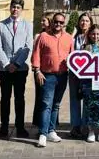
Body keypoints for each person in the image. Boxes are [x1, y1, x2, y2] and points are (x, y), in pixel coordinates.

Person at [32, 12, 73, 148]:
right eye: (56, 21)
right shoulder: (43, 36)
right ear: (52, 21)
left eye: (61, 22)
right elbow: (36, 54)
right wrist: (37, 70)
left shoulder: (68, 38)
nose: (58, 24)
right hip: (47, 75)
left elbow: (73, 56)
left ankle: (51, 131)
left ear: (64, 24)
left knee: (56, 104)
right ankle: (43, 134)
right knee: (46, 104)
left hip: (62, 75)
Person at [0, 0, 33, 139]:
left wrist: (16, 64)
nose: (15, 9)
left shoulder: (27, 25)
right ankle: (4, 128)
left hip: (20, 69)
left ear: (21, 9)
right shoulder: (1, 25)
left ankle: (20, 127)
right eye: (13, 7)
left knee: (19, 99)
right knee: (5, 98)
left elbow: (28, 46)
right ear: (10, 8)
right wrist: (6, 64)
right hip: (5, 69)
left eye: (18, 7)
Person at [82, 24, 99, 143]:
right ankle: (91, 132)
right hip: (88, 82)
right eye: (93, 33)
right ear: (89, 34)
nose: (95, 36)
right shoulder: (86, 47)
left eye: (98, 33)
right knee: (89, 106)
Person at [68, 12, 93, 138]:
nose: (84, 23)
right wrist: (73, 34)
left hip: (88, 74)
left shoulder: (93, 37)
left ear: (91, 23)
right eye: (82, 20)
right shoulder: (75, 37)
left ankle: (85, 125)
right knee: (74, 99)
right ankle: (75, 126)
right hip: (74, 72)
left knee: (88, 100)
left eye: (87, 21)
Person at [32, 12, 53, 129]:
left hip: (52, 71)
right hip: (40, 71)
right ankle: (40, 123)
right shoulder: (38, 36)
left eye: (44, 20)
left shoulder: (55, 35)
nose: (41, 23)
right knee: (40, 98)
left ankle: (51, 124)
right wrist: (37, 70)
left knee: (51, 100)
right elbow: (35, 55)